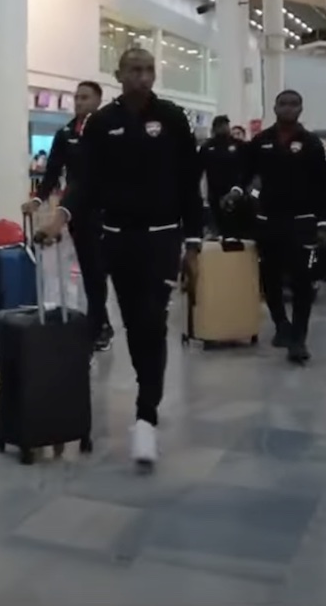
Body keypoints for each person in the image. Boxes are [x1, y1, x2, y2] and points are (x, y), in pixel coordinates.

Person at [37, 46, 201, 470]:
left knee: (153, 321)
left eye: (148, 70)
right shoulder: (102, 124)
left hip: (163, 239)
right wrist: (61, 216)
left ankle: (147, 416)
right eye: (134, 70)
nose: (143, 77)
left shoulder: (173, 119)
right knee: (132, 323)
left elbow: (188, 184)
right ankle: (146, 405)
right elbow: (84, 182)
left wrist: (195, 244)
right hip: (117, 238)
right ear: (119, 74)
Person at [225, 90, 326, 364]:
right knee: (269, 278)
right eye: (283, 104)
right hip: (268, 222)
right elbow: (244, 175)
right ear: (274, 107)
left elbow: (322, 187)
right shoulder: (261, 141)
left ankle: (299, 339)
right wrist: (236, 193)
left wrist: (323, 224)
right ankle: (281, 325)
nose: (287, 108)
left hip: (302, 223)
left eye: (293, 104)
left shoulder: (311, 144)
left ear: (301, 108)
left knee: (302, 282)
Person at [23, 80, 113, 350]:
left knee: (98, 272)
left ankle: (101, 324)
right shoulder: (65, 134)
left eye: (85, 97)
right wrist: (38, 199)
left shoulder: (109, 132)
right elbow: (52, 172)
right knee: (89, 271)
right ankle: (100, 325)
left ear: (98, 101)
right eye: (77, 97)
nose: (79, 102)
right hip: (77, 212)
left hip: (106, 212)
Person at [199, 114, 248, 239]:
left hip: (235, 191)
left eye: (225, 125)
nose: (223, 128)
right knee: (218, 227)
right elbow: (199, 171)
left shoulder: (239, 145)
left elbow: (246, 169)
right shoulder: (207, 147)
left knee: (235, 227)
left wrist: (239, 188)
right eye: (220, 125)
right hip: (214, 193)